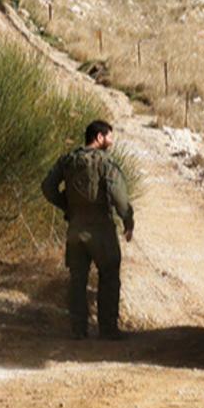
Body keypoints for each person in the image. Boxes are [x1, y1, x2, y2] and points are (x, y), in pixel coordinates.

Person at [41, 120, 134, 341]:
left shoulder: (68, 160)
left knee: (77, 280)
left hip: (75, 229)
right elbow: (120, 197)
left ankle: (78, 330)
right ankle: (108, 329)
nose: (111, 142)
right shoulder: (106, 163)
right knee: (109, 276)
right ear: (99, 137)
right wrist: (128, 221)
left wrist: (67, 205)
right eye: (109, 137)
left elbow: (47, 187)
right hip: (101, 230)